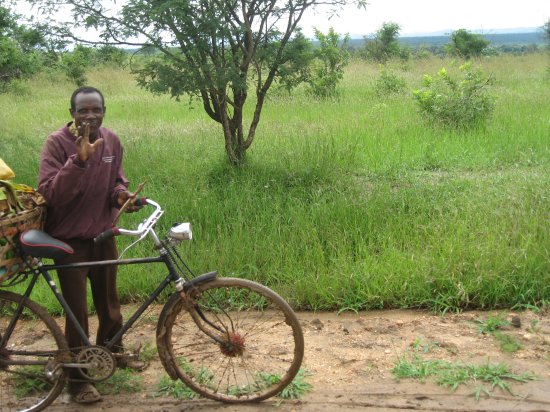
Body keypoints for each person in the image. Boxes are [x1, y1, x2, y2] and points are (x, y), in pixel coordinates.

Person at [38, 86, 143, 404]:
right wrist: (79, 161)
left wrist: (123, 196)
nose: (90, 116)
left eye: (95, 109)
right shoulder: (56, 144)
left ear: (104, 111)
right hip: (68, 241)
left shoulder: (111, 140)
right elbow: (50, 194)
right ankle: (78, 380)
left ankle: (111, 352)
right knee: (77, 313)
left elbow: (116, 181)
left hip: (104, 234)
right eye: (83, 110)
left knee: (110, 303)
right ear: (71, 113)